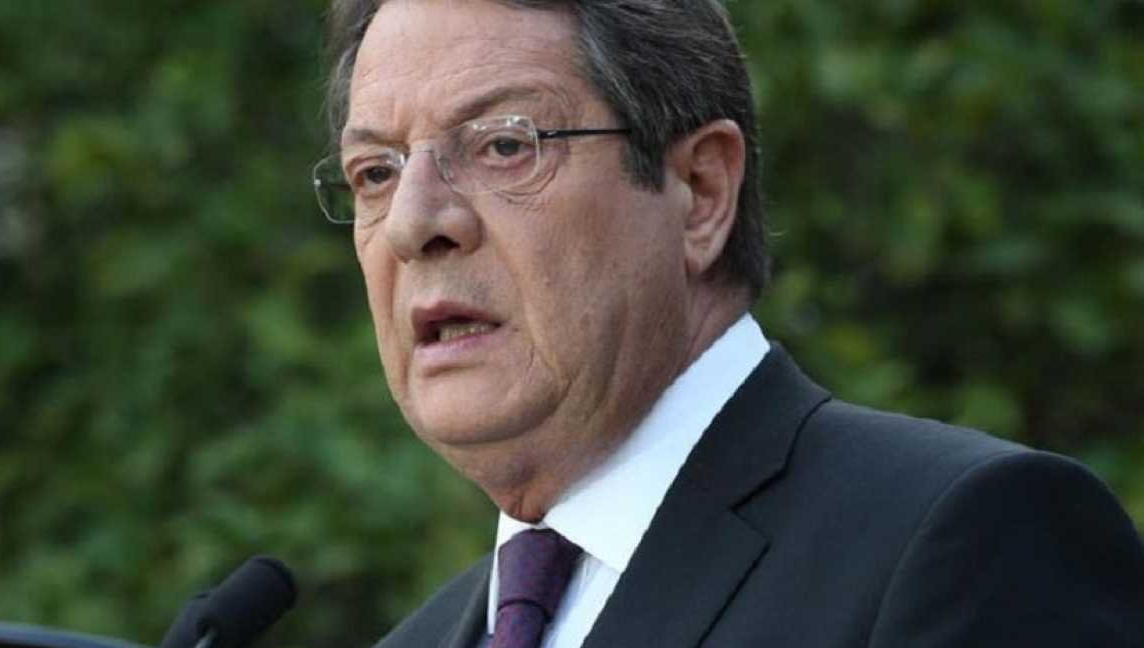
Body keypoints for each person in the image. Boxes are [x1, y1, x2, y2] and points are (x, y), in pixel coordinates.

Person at [312, 0, 1144, 646]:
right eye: (375, 172)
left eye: (504, 145)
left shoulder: (971, 542)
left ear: (701, 192)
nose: (412, 223)